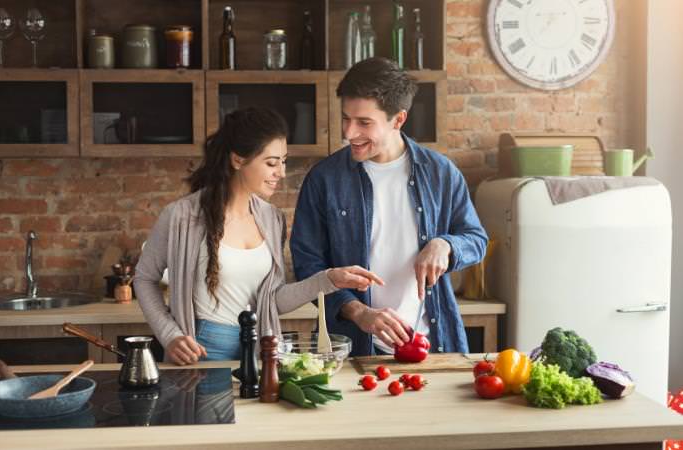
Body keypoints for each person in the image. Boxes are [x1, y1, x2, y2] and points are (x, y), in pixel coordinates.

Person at [134, 107, 382, 365]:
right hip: (204, 348)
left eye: (283, 161)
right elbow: (144, 278)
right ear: (238, 160)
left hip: (261, 347)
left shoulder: (272, 219)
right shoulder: (181, 216)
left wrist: (329, 279)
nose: (281, 173)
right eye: (271, 163)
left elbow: (272, 301)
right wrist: (169, 335)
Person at [290, 58, 488, 356]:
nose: (349, 133)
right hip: (354, 350)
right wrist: (358, 312)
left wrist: (445, 245)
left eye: (364, 123)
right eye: (346, 118)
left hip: (432, 346)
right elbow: (308, 265)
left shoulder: (441, 173)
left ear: (398, 120)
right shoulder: (324, 180)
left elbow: (476, 240)